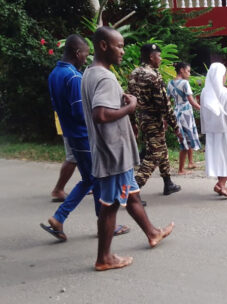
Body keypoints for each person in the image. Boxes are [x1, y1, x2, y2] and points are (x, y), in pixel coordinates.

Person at [82, 27, 173, 271]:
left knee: (132, 194)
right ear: (103, 45)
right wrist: (130, 107)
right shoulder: (104, 77)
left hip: (112, 150)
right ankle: (104, 258)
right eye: (118, 46)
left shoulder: (90, 73)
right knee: (110, 204)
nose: (122, 51)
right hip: (114, 153)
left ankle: (152, 232)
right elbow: (100, 114)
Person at [40, 34, 129, 242]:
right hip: (83, 135)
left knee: (90, 179)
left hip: (70, 134)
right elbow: (81, 112)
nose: (86, 59)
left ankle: (61, 218)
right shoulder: (74, 77)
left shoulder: (55, 73)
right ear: (77, 53)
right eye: (85, 55)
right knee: (96, 179)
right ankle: (104, 225)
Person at [128, 44, 182, 196]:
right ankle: (132, 190)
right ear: (152, 57)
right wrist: (175, 127)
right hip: (153, 119)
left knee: (162, 148)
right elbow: (164, 104)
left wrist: (133, 122)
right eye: (159, 56)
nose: (161, 59)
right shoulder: (153, 75)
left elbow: (130, 99)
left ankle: (168, 183)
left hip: (142, 118)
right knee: (154, 154)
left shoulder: (134, 73)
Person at [200, 62, 227, 198]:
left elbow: (202, 114)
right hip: (226, 132)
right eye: (225, 74)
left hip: (212, 133)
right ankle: (221, 184)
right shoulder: (225, 93)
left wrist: (205, 130)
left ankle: (222, 184)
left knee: (219, 159)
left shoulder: (204, 93)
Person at [167, 62, 201, 175]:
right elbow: (191, 100)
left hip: (176, 112)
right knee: (186, 141)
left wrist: (165, 118)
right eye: (188, 71)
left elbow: (167, 101)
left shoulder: (170, 83)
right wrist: (202, 108)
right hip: (186, 113)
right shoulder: (185, 83)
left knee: (186, 138)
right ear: (181, 70)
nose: (189, 73)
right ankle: (181, 169)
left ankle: (190, 162)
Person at [51, 112, 77, 202]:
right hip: (70, 124)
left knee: (87, 156)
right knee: (73, 157)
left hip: (70, 123)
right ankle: (58, 189)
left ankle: (92, 185)